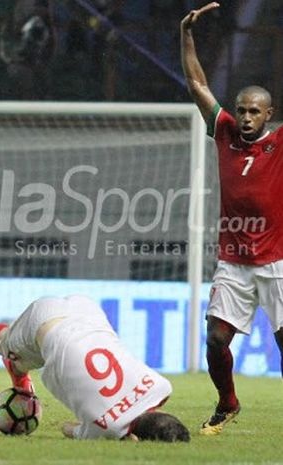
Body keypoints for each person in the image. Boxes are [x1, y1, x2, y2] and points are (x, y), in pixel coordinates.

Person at [181, 2, 283, 436]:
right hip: (234, 262)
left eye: (253, 111)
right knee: (216, 340)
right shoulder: (222, 131)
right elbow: (197, 82)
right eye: (241, 109)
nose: (244, 117)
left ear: (268, 114)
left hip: (277, 261)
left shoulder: (279, 144)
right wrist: (186, 33)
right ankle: (227, 403)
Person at [0, 295, 191, 442]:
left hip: (89, 312)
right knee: (0, 343)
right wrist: (120, 436)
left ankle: (19, 368)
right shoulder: (106, 427)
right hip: (44, 326)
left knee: (31, 357)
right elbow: (67, 428)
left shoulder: (163, 386)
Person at [0, 0, 56, 100]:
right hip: (19, 62)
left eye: (42, 8)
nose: (39, 10)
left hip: (38, 65)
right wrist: (11, 59)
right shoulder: (16, 22)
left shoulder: (46, 26)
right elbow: (8, 37)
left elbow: (51, 46)